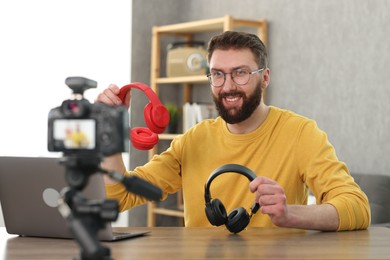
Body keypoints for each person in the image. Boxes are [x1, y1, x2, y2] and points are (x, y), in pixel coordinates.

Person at [96, 31, 370, 231]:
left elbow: (357, 207)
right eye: (217, 74)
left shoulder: (301, 133)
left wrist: (290, 214)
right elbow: (118, 198)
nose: (228, 86)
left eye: (240, 73)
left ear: (264, 78)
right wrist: (109, 129)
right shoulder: (193, 140)